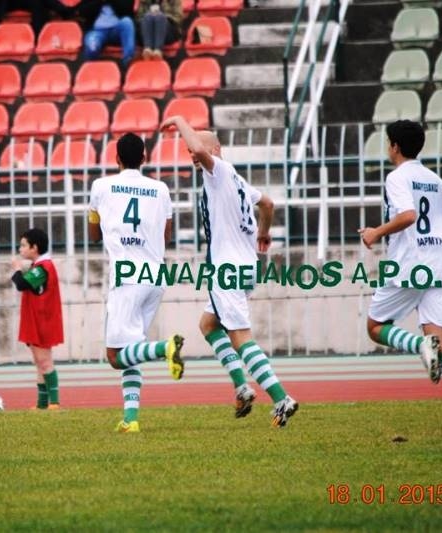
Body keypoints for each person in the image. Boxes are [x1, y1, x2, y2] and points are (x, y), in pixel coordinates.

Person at [161, 116, 299, 427]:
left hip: (228, 268)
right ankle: (241, 386)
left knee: (240, 337)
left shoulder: (219, 172)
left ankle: (281, 398)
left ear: (216, 150)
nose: (193, 155)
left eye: (199, 151)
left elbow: (198, 147)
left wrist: (179, 121)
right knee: (209, 325)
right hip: (246, 264)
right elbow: (267, 203)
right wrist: (263, 233)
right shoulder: (236, 179)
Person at [358, 120, 442, 428]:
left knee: (375, 326)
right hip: (438, 260)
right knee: (441, 337)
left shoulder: (397, 177)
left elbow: (409, 216)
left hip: (410, 263)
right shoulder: (434, 179)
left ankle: (419, 346)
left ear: (395, 146)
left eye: (388, 143)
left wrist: (375, 233)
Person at [88, 132, 185, 433]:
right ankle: (130, 419)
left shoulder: (101, 186)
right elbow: (166, 234)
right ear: (145, 158)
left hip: (127, 275)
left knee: (115, 356)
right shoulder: (161, 188)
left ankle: (164, 348)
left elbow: (94, 234)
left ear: (116, 158)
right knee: (131, 349)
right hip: (155, 274)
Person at [11, 228, 64, 410]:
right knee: (39, 363)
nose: (20, 249)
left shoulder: (44, 267)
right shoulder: (38, 267)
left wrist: (17, 269)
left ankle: (54, 402)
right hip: (36, 320)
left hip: (42, 321)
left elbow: (22, 284)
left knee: (45, 361)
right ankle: (42, 404)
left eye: (24, 245)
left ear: (35, 248)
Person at [79, 0, 136, 68]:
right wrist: (100, 1)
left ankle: (128, 60)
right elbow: (83, 11)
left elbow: (128, 9)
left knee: (127, 22)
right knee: (92, 47)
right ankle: (91, 69)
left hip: (117, 30)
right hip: (96, 32)